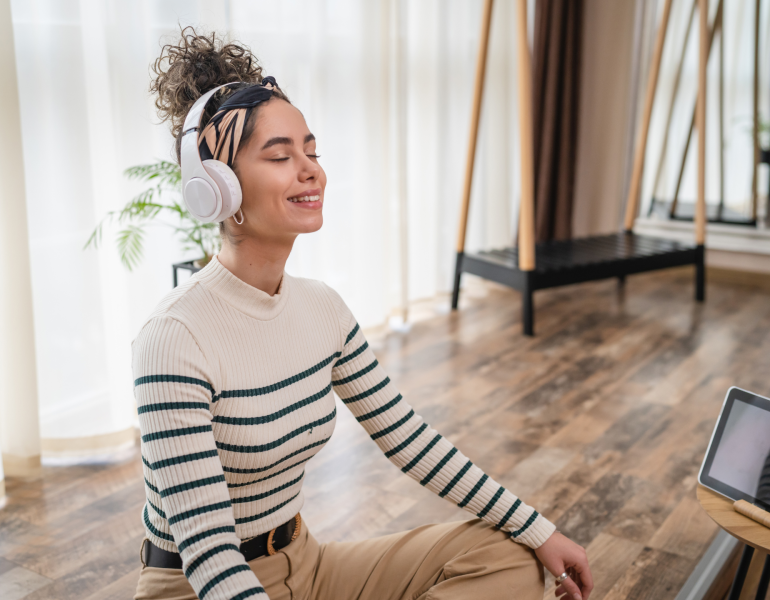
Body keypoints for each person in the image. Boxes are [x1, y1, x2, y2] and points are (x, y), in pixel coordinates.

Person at [132, 27, 593, 600]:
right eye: (280, 155)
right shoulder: (174, 337)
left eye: (311, 151)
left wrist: (538, 528)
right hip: (200, 587)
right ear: (217, 189)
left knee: (507, 556)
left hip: (306, 562)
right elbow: (209, 554)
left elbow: (410, 440)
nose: (311, 170)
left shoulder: (322, 307)